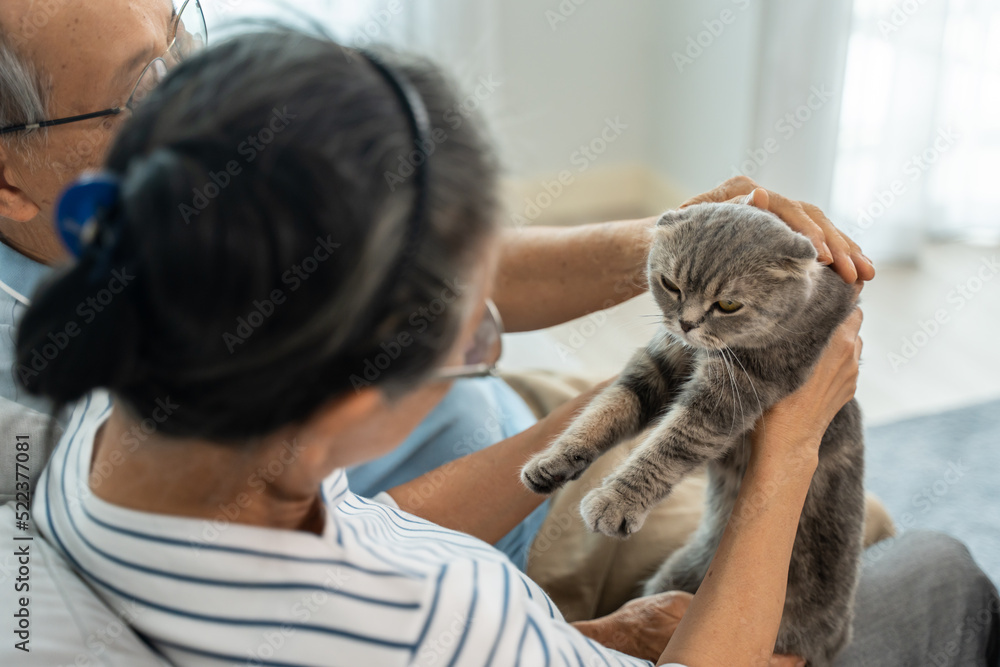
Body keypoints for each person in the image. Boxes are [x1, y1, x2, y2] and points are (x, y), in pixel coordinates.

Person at [14, 27, 998, 666]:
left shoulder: (110, 426)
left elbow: (367, 527)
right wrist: (783, 440)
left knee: (851, 528)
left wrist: (628, 393)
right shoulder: (441, 617)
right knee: (942, 568)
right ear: (360, 399)